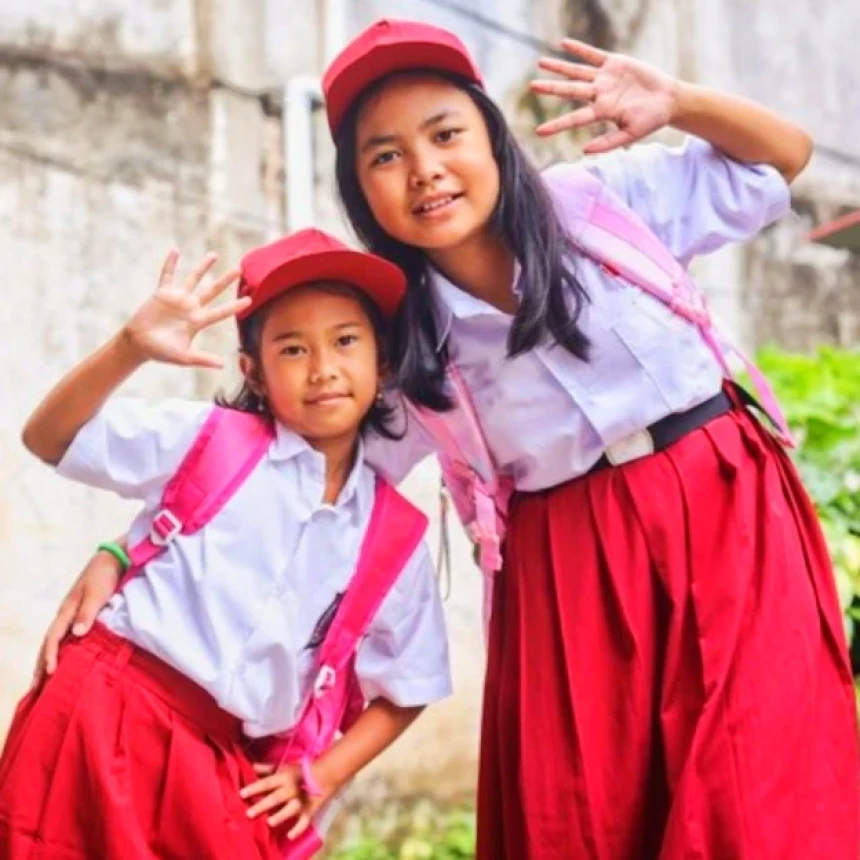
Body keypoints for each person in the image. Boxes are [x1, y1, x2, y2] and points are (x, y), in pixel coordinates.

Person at [42, 18, 859, 859]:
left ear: (492, 140)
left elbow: (781, 159)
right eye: (385, 156)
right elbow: (270, 459)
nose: (425, 170)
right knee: (587, 811)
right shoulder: (404, 344)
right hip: (565, 561)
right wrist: (123, 548)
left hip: (722, 502)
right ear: (362, 192)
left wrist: (681, 102)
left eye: (445, 134)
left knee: (759, 786)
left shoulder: (603, 204)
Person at [0, 228, 451, 859]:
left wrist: (324, 773)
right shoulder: (211, 439)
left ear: (382, 364)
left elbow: (411, 683)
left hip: (222, 759)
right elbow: (49, 437)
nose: (322, 369)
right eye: (292, 349)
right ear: (254, 374)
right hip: (104, 709)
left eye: (345, 341)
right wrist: (131, 347)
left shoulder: (391, 536)